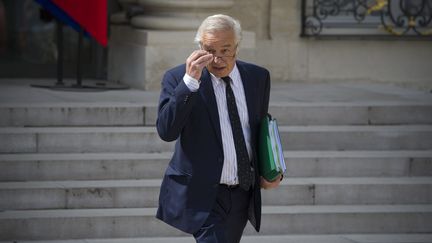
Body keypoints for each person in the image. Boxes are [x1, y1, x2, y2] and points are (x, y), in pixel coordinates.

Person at [156, 14, 282, 243]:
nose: (217, 59)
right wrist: (189, 83)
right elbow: (166, 131)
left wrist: (271, 169)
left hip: (242, 192)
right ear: (199, 48)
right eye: (209, 50)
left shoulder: (257, 77)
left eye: (225, 50)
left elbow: (260, 129)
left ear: (237, 46)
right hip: (203, 195)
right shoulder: (178, 79)